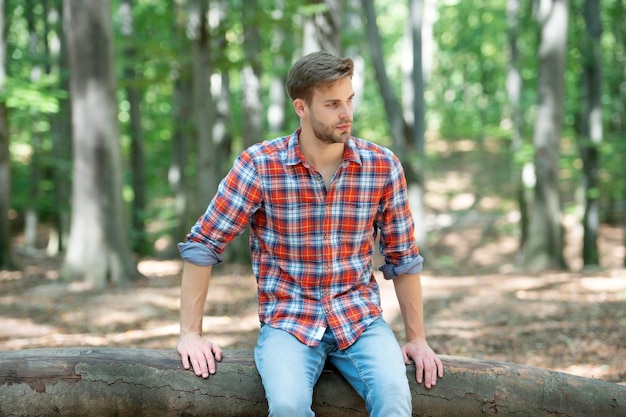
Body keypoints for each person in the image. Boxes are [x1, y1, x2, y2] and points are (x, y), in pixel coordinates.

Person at [177, 50, 443, 417]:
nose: (346, 113)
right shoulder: (260, 165)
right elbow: (203, 244)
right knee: (288, 406)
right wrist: (190, 333)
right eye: (332, 104)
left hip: (360, 319)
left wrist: (417, 339)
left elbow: (403, 257)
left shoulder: (382, 165)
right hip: (288, 319)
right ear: (301, 107)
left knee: (395, 400)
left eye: (349, 100)